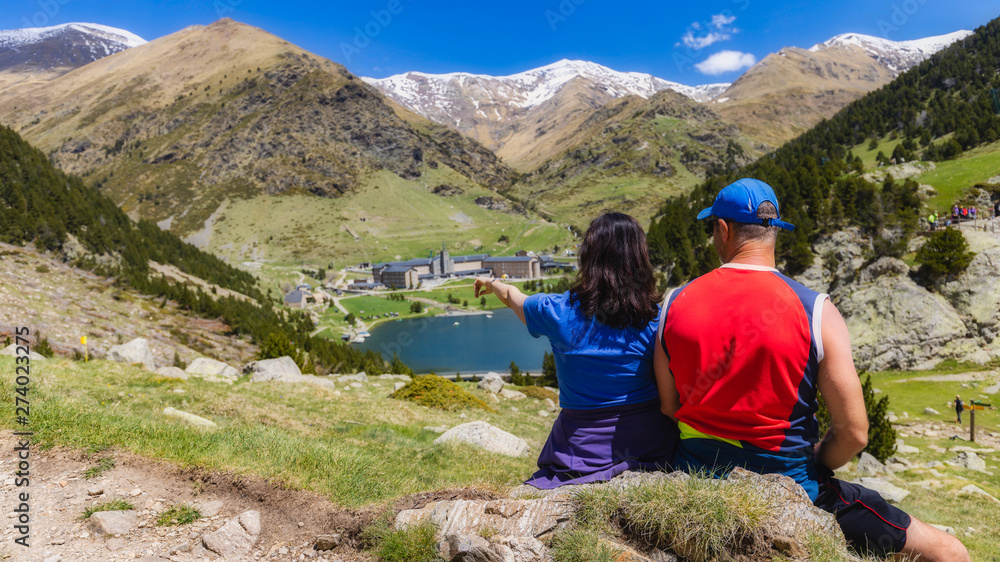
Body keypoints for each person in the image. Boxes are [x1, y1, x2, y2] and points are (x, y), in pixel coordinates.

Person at [654, 178, 969, 560]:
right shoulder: (817, 310)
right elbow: (854, 433)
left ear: (723, 230)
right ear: (775, 233)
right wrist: (819, 459)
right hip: (792, 489)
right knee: (949, 551)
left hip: (694, 478)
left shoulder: (674, 302)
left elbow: (669, 408)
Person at [474, 212, 677, 488]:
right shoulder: (658, 319)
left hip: (580, 454)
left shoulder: (556, 311)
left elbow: (512, 297)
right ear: (639, 259)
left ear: (588, 257)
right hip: (651, 446)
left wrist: (491, 283)